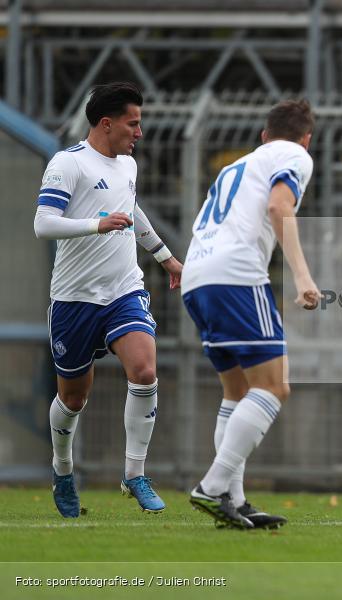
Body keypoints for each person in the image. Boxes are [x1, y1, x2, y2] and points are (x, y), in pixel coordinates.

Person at [34, 82, 182, 518]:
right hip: (74, 298)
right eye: (133, 123)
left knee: (145, 369)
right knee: (74, 399)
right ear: (106, 123)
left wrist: (166, 258)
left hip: (123, 289)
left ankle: (134, 473)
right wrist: (94, 226)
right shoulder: (68, 164)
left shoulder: (129, 166)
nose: (139, 131)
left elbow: (131, 210)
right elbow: (45, 224)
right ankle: (63, 470)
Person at [181, 99, 321, 529]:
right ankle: (212, 485)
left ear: (263, 135)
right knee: (275, 387)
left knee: (237, 392)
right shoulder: (295, 155)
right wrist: (302, 276)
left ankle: (232, 501)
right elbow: (280, 207)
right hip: (236, 275)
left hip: (197, 274)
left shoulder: (236, 166)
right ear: (306, 138)